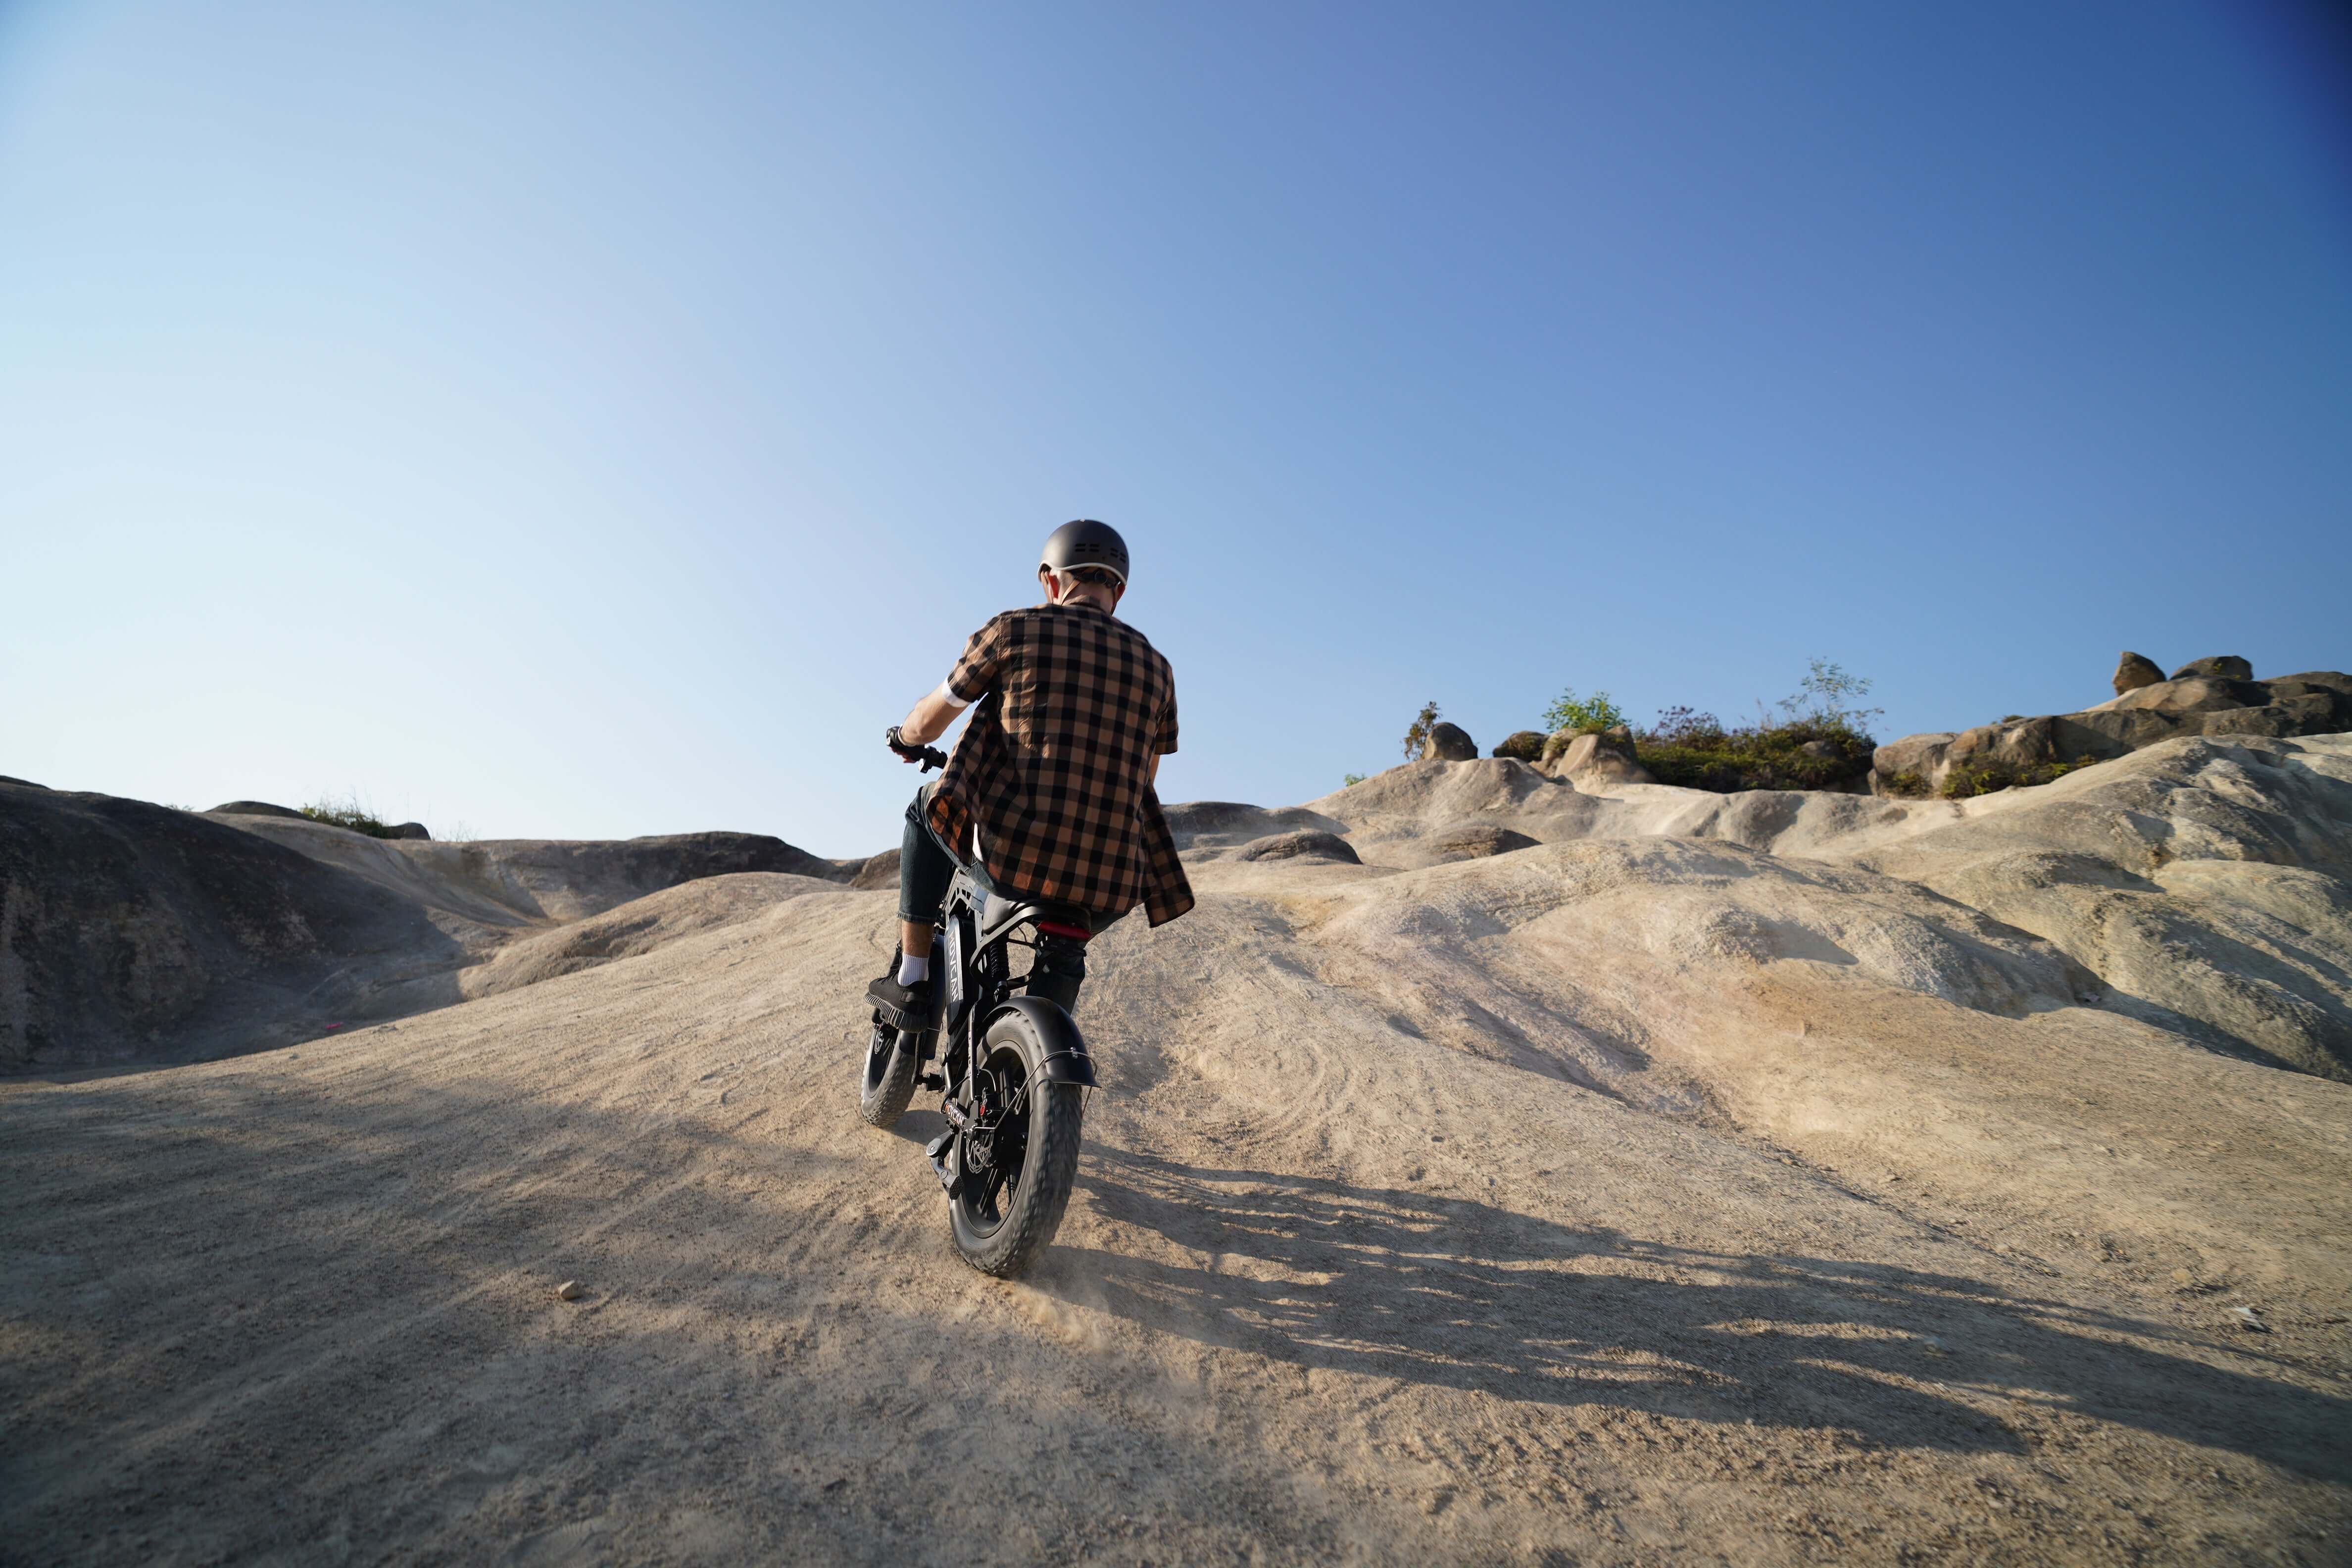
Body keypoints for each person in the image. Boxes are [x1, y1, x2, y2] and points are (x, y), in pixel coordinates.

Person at [867, 519, 1193, 1025]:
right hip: (1111, 878)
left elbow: (931, 720)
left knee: (923, 810)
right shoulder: (1157, 669)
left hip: (1013, 854)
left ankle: (911, 978)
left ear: (1049, 580)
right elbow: (1144, 780)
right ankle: (1036, 1054)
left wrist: (906, 738)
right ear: (1119, 591)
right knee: (1065, 948)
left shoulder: (1013, 630)